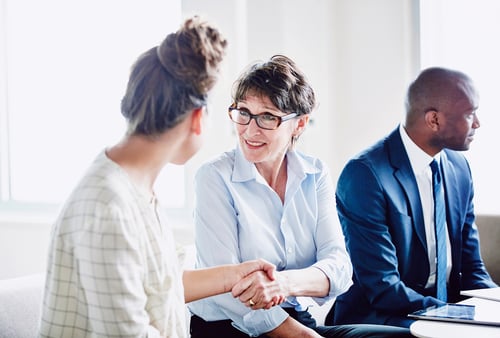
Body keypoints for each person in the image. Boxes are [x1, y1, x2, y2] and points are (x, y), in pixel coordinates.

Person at [38, 16, 282, 338]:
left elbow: (160, 287)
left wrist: (234, 275)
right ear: (197, 119)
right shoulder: (106, 206)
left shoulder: (135, 188)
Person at [188, 55, 412, 337]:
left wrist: (282, 284)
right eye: (243, 112)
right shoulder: (214, 177)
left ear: (300, 124)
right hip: (229, 329)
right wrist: (304, 336)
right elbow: (226, 292)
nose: (250, 129)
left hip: (294, 318)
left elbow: (339, 269)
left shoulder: (315, 174)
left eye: (268, 117)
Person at [325, 67, 498, 328]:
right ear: (434, 120)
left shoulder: (459, 168)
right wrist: (460, 316)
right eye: (470, 113)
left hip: (442, 311)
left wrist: (492, 307)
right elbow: (383, 287)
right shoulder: (365, 175)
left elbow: (472, 268)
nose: (477, 123)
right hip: (382, 317)